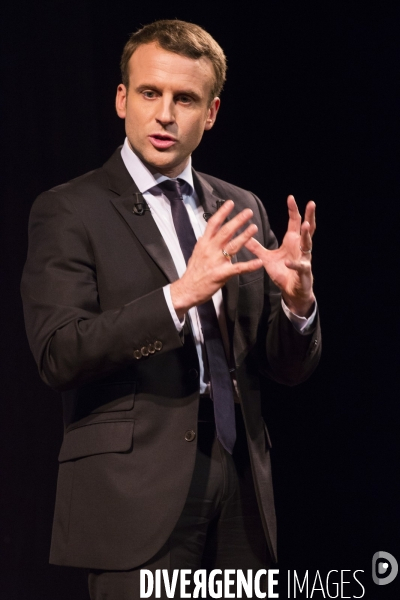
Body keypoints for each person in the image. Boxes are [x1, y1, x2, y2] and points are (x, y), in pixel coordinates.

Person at [21, 19, 321, 599]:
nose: (165, 114)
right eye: (150, 93)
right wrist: (176, 297)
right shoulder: (69, 210)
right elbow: (59, 353)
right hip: (136, 495)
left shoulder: (240, 206)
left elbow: (283, 366)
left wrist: (297, 304)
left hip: (240, 492)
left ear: (209, 114)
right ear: (121, 99)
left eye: (185, 99)